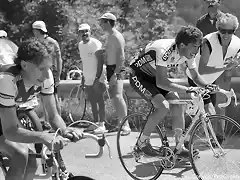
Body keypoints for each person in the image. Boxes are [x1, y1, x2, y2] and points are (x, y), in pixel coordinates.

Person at [0, 38, 82, 180]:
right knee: (20, 154)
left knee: (32, 162)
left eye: (49, 67)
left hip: (5, 112)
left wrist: (65, 130)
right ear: (24, 65)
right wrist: (43, 136)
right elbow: (10, 131)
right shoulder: (7, 80)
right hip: (5, 118)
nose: (46, 75)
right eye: (41, 69)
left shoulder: (45, 76)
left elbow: (53, 116)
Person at [129, 25, 216, 157]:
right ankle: (142, 142)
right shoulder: (164, 50)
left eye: (199, 47)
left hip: (154, 76)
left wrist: (207, 86)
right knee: (163, 106)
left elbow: (196, 76)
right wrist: (187, 89)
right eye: (194, 46)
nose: (197, 51)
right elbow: (162, 82)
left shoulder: (189, 52)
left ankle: (179, 146)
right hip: (139, 76)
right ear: (182, 45)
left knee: (177, 103)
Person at [188, 13, 240, 142]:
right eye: (223, 31)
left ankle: (215, 138)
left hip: (213, 78)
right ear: (218, 29)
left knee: (215, 109)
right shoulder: (208, 41)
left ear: (235, 30)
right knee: (207, 110)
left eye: (230, 31)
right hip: (197, 77)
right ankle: (187, 140)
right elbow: (202, 69)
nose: (226, 34)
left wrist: (235, 64)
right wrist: (225, 68)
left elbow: (234, 63)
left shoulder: (237, 43)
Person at [99, 12, 131, 136]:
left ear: (108, 22)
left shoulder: (117, 36)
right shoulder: (110, 36)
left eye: (102, 22)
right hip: (111, 68)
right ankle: (120, 123)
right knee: (114, 97)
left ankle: (125, 125)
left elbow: (122, 57)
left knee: (118, 96)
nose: (100, 25)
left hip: (117, 69)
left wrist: (115, 74)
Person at [78, 23, 107, 133]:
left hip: (97, 76)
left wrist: (97, 77)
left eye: (86, 31)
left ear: (90, 32)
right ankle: (95, 123)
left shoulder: (96, 44)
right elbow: (84, 62)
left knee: (100, 100)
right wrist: (83, 78)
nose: (84, 33)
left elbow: (101, 61)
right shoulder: (80, 45)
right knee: (92, 100)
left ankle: (102, 124)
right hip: (87, 76)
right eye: (82, 31)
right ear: (79, 33)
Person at [32, 20, 62, 115]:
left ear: (38, 30)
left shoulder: (52, 42)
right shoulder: (36, 42)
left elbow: (59, 59)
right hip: (39, 73)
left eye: (34, 30)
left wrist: (58, 75)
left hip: (51, 72)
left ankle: (59, 121)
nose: (33, 32)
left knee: (54, 98)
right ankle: (47, 121)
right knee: (43, 98)